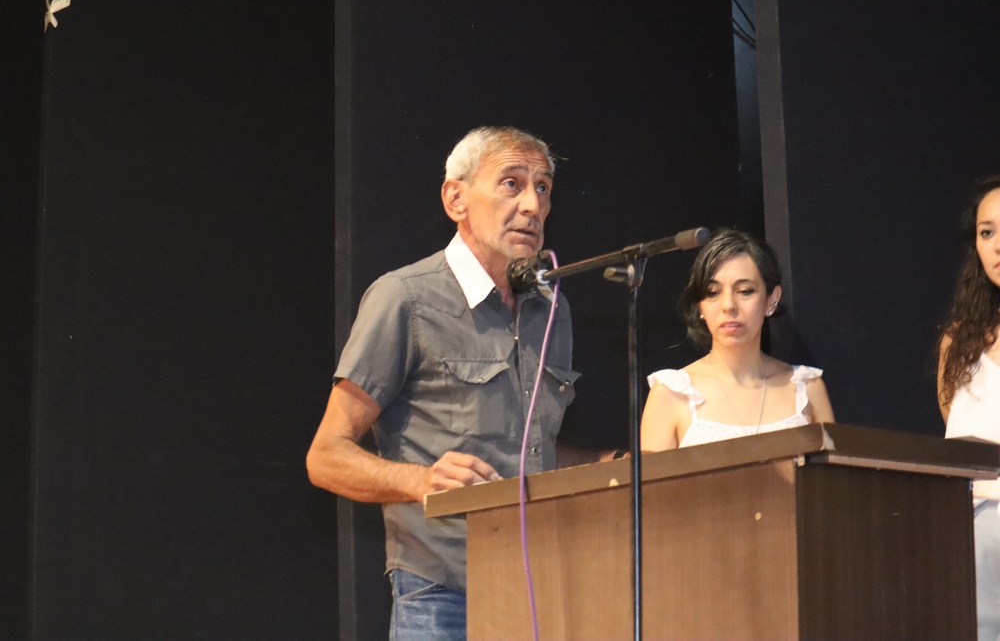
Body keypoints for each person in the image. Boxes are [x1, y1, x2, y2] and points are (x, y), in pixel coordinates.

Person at [306, 126, 606, 641]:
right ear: (455, 199)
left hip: (539, 583)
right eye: (512, 184)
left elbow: (526, 447)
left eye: (543, 187)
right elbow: (325, 455)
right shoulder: (405, 298)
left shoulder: (550, 308)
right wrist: (420, 481)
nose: (533, 205)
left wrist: (611, 464)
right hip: (443, 592)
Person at [641, 228, 834, 451]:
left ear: (772, 300)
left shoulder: (807, 389)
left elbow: (834, 472)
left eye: (744, 291)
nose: (728, 306)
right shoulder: (671, 393)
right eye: (713, 293)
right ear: (700, 306)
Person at [937, 176, 1000, 641]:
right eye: (986, 232)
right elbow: (954, 432)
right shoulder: (958, 341)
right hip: (969, 534)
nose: (997, 244)